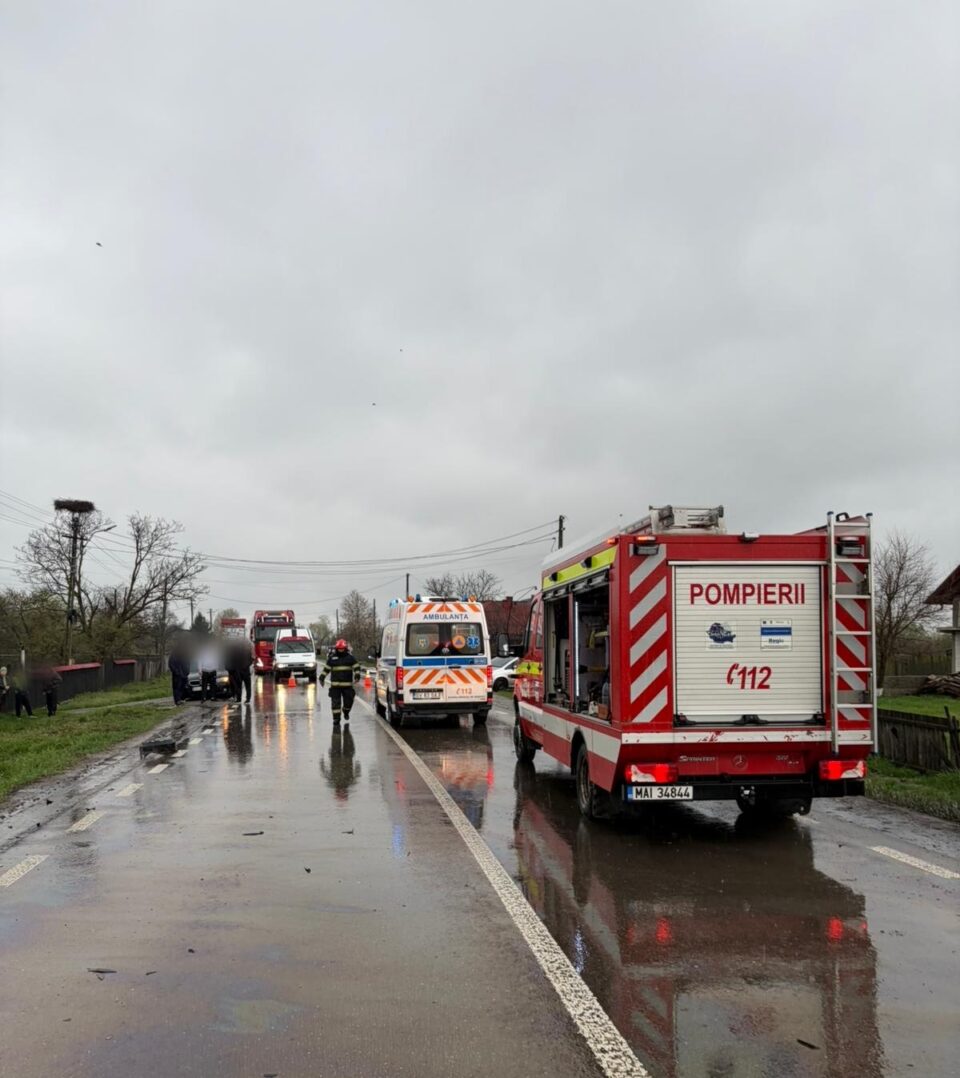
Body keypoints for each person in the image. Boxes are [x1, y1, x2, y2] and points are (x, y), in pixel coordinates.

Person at [319, 638, 360, 724]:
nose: (341, 650)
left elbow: (356, 667)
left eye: (342, 649)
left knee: (349, 701)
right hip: (335, 686)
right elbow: (326, 669)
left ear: (345, 648)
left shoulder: (350, 658)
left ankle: (346, 711)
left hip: (347, 686)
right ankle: (336, 719)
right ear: (336, 649)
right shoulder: (332, 658)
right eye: (339, 649)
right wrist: (322, 677)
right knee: (335, 704)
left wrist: (357, 675)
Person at [226, 635, 253, 704]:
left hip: (243, 671)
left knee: (245, 686)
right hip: (240, 671)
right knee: (241, 686)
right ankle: (241, 699)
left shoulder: (246, 651)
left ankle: (245, 699)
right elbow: (233, 660)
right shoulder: (237, 651)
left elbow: (251, 660)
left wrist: (245, 665)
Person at [198, 640, 220, 704]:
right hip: (205, 670)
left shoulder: (214, 652)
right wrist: (200, 669)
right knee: (204, 685)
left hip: (212, 670)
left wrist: (216, 668)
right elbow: (200, 661)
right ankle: (204, 697)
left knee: (213, 685)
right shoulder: (202, 653)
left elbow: (217, 660)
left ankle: (213, 696)